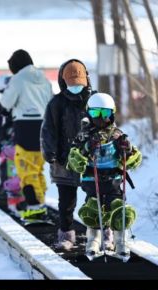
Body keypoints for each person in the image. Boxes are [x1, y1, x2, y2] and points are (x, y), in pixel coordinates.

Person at [67, 92, 142, 259]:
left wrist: (127, 150)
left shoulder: (117, 135)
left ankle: (120, 242)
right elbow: (72, 160)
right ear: (88, 113)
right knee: (92, 210)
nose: (100, 118)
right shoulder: (84, 135)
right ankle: (93, 241)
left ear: (112, 114)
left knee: (120, 211)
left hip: (113, 181)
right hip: (92, 181)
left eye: (105, 113)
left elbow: (134, 160)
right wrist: (86, 148)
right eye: (95, 113)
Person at [41, 59, 94, 250]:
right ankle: (66, 234)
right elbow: (49, 130)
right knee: (66, 202)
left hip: (92, 160)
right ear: (63, 82)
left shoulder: (94, 100)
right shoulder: (56, 103)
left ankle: (97, 234)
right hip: (64, 160)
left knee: (95, 199)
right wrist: (51, 153)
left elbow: (107, 124)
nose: (76, 88)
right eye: (72, 85)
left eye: (79, 85)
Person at [0, 49, 54, 223]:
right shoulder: (44, 78)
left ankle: (34, 207)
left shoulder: (18, 79)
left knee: (25, 166)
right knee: (37, 166)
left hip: (24, 125)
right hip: (44, 126)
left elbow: (6, 102)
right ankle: (41, 203)